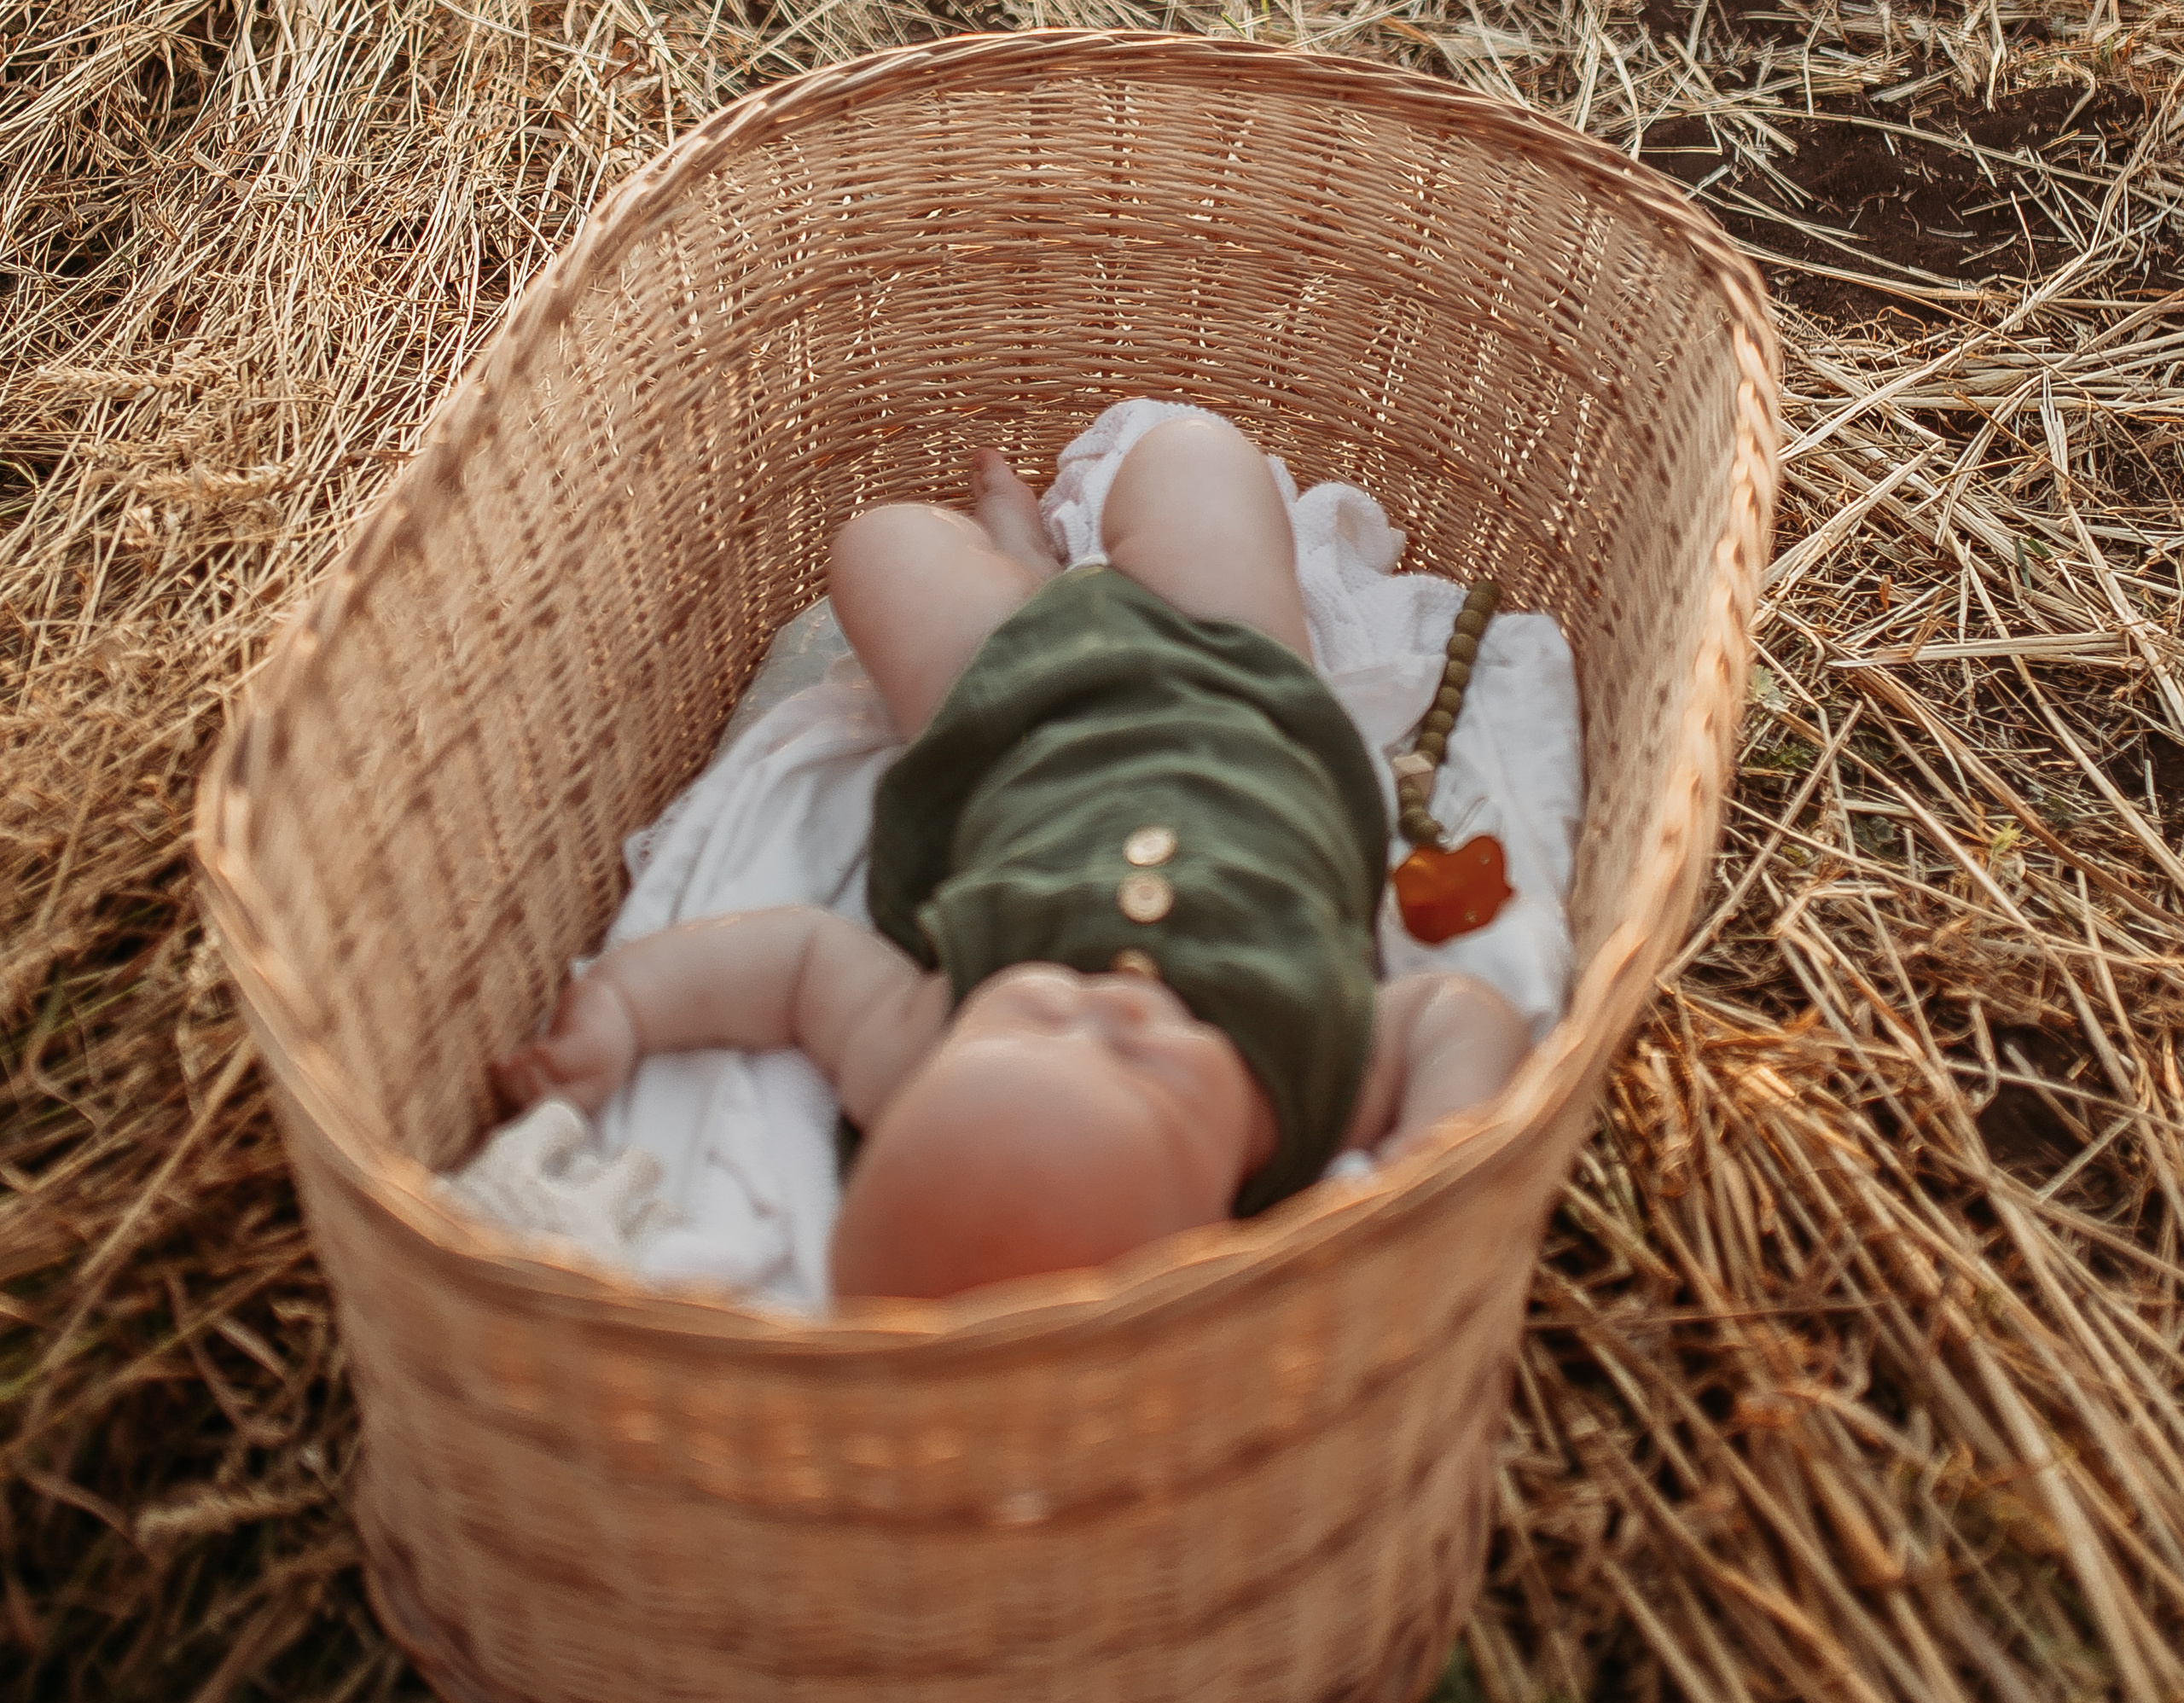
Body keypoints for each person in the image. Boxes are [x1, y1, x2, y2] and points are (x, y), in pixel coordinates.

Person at [493, 416, 1529, 1299]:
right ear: (1214, 1230)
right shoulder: (1314, 1089)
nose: (1102, 1009)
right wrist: (1437, 1146)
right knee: (1196, 457)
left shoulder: (922, 1045)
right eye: (1147, 1073)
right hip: (1243, 684)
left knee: (879, 546)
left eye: (1030, 1021)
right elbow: (1454, 1012)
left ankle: (1025, 574)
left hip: (1008, 713)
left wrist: (627, 1007)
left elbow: (795, 965)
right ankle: (1035, 573)